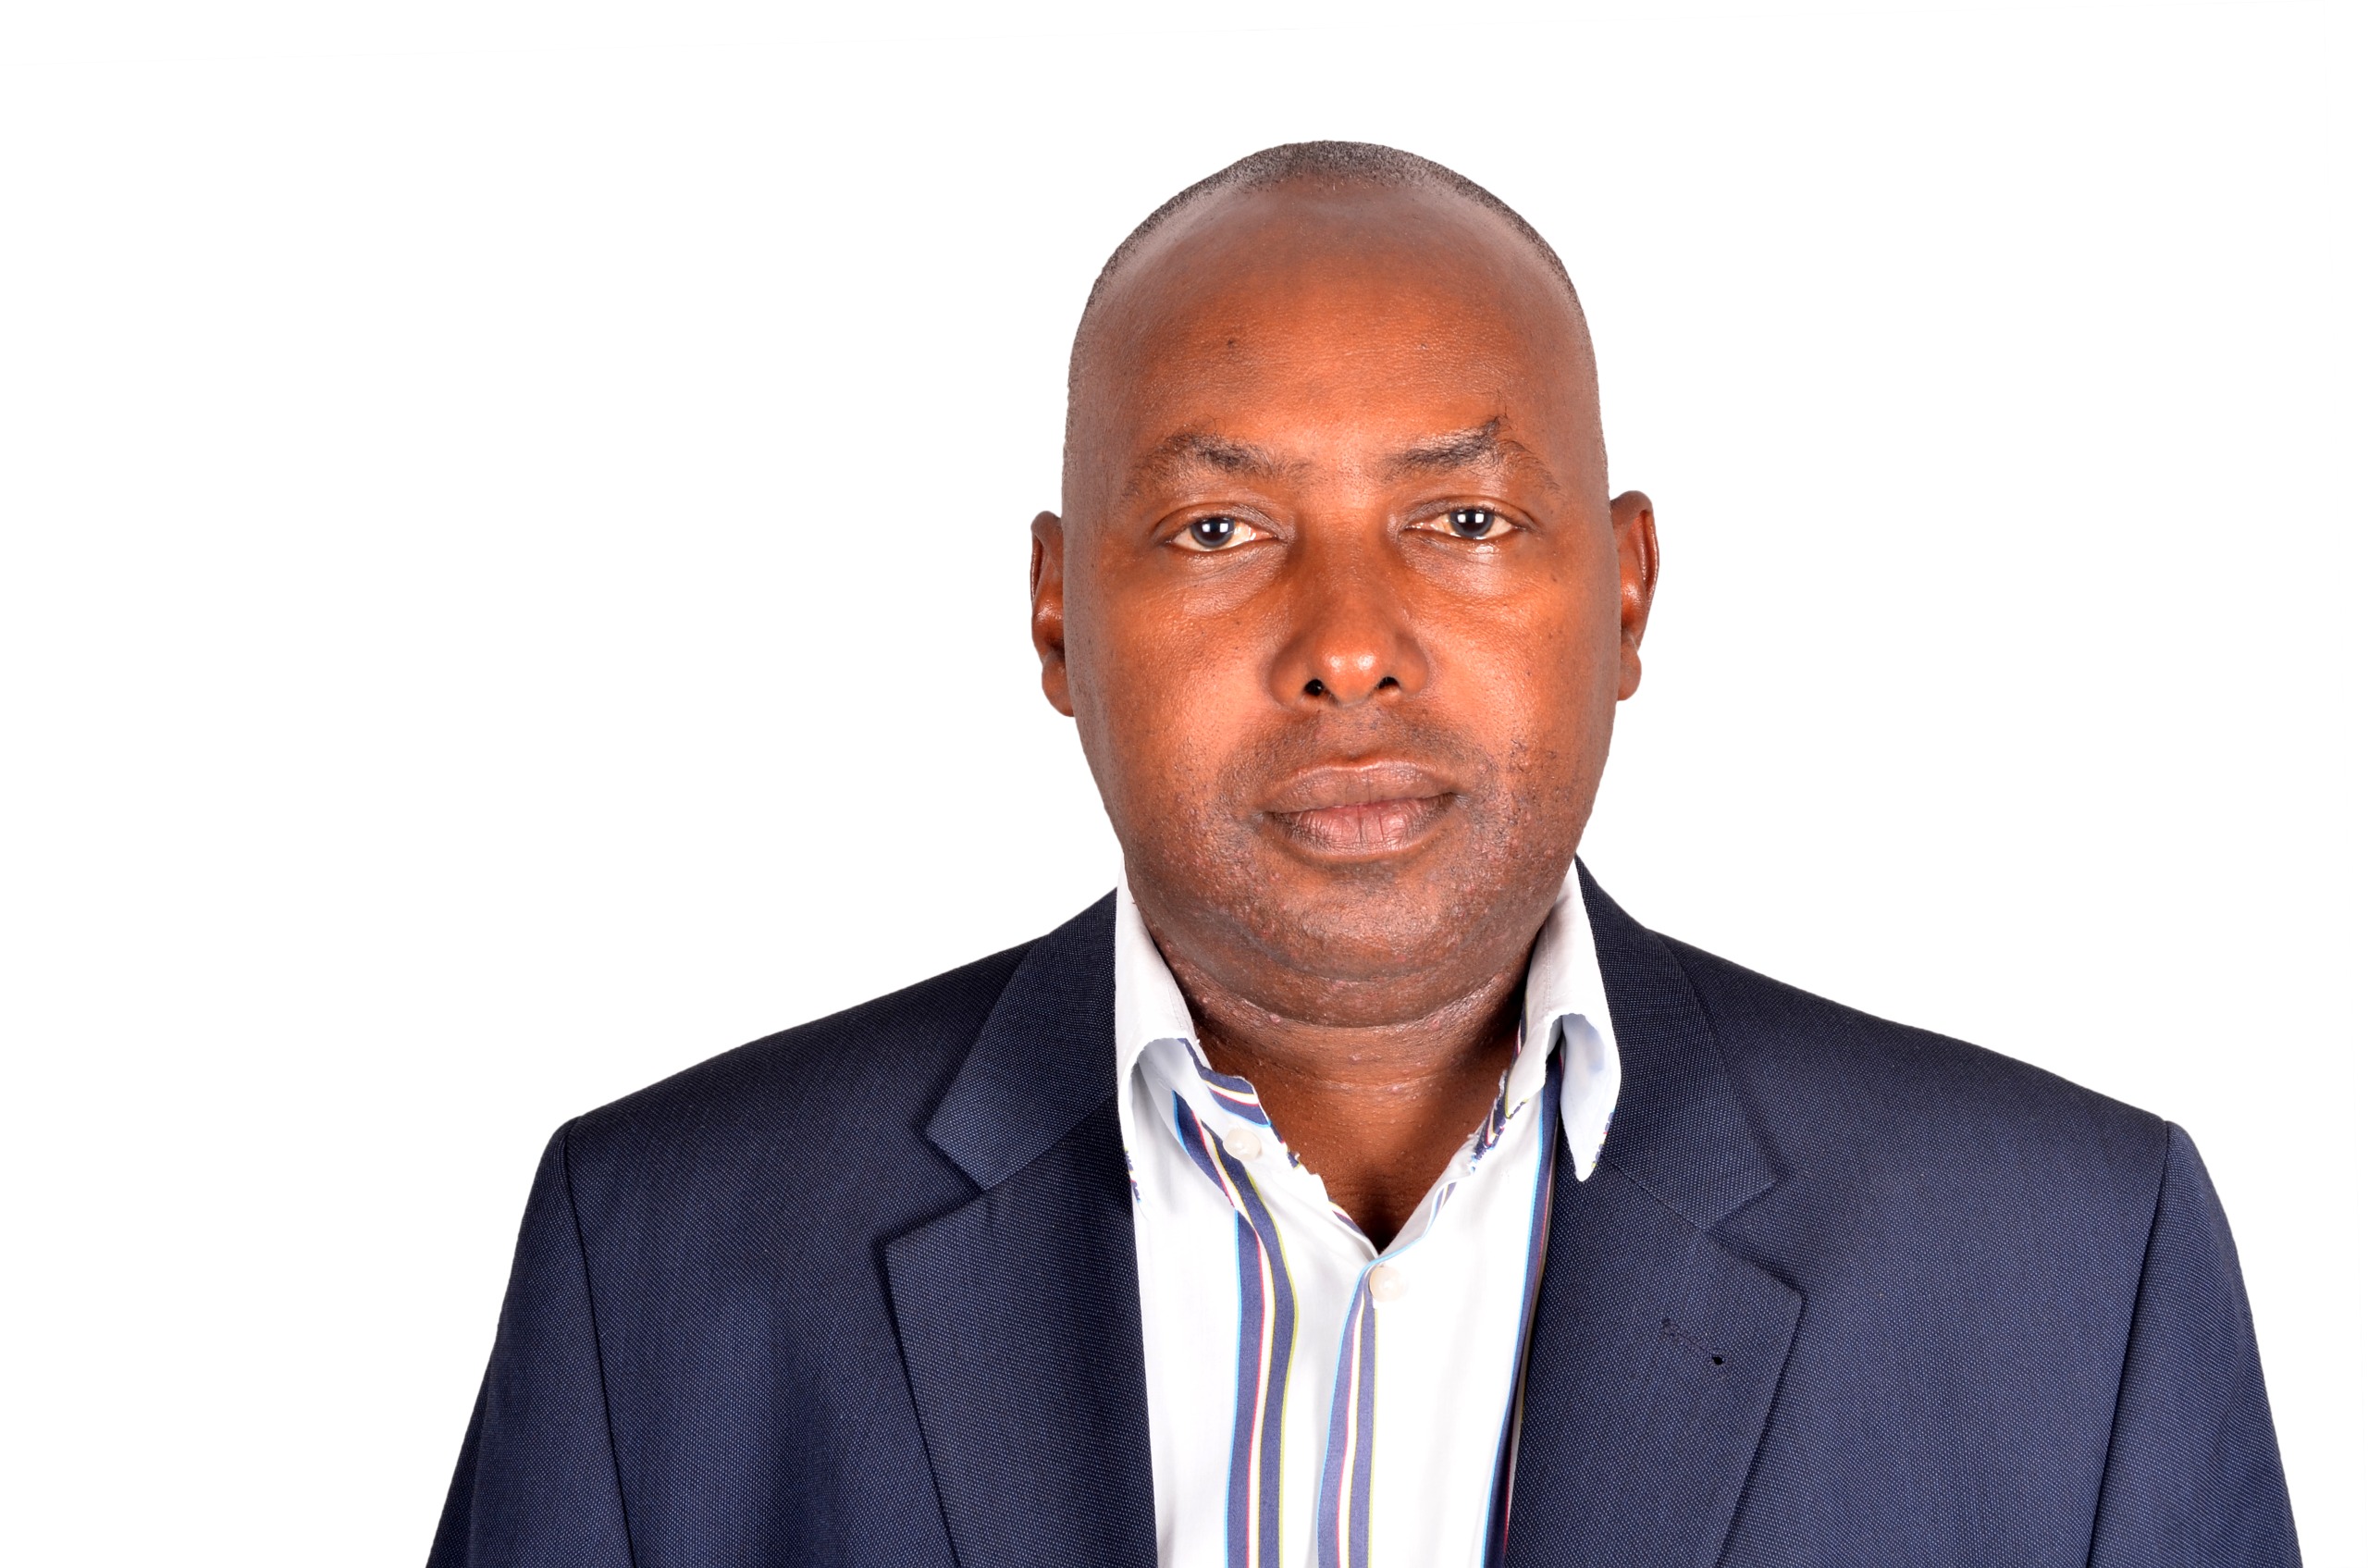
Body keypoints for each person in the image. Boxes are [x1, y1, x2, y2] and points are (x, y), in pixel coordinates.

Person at [426, 142, 2297, 1568]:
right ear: (1056, 614)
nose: (1346, 643)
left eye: (1462, 517)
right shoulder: (663, 1254)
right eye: (1218, 527)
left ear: (1624, 593)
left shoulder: (2070, 1270)